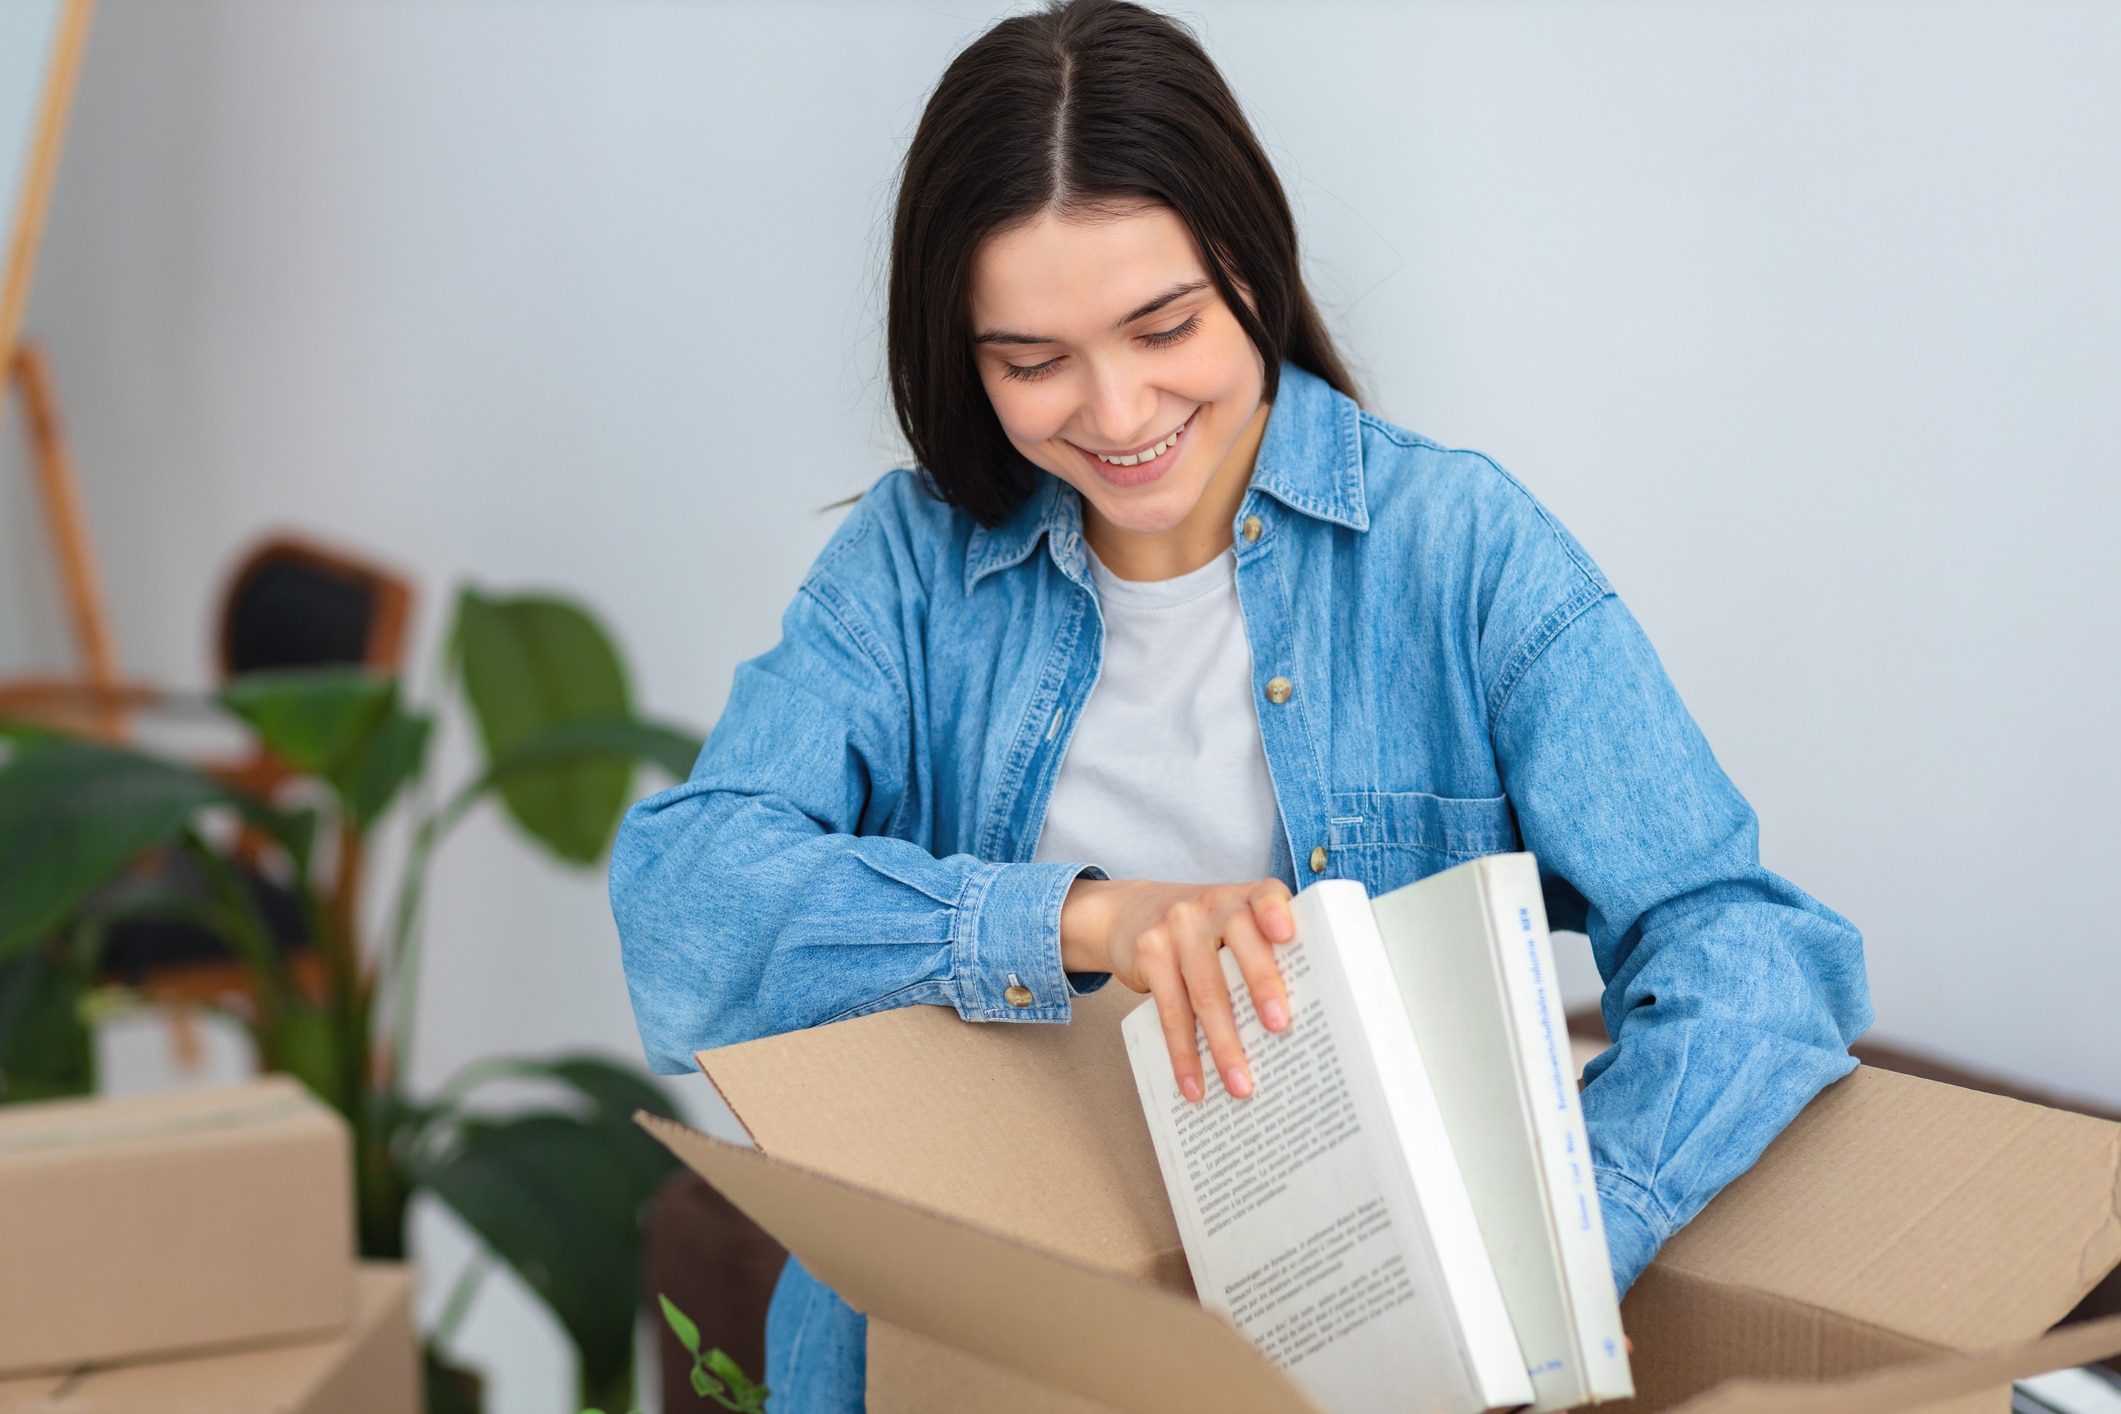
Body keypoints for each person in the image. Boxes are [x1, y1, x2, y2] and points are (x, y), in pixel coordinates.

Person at [611, 1, 1871, 1407]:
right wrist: (1087, 918)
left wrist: (1564, 1239)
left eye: (1163, 326)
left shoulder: (1455, 551)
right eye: (1029, 361)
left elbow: (1756, 954)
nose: (1115, 408)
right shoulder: (913, 570)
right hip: (946, 1355)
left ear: (1251, 271)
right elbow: (684, 917)